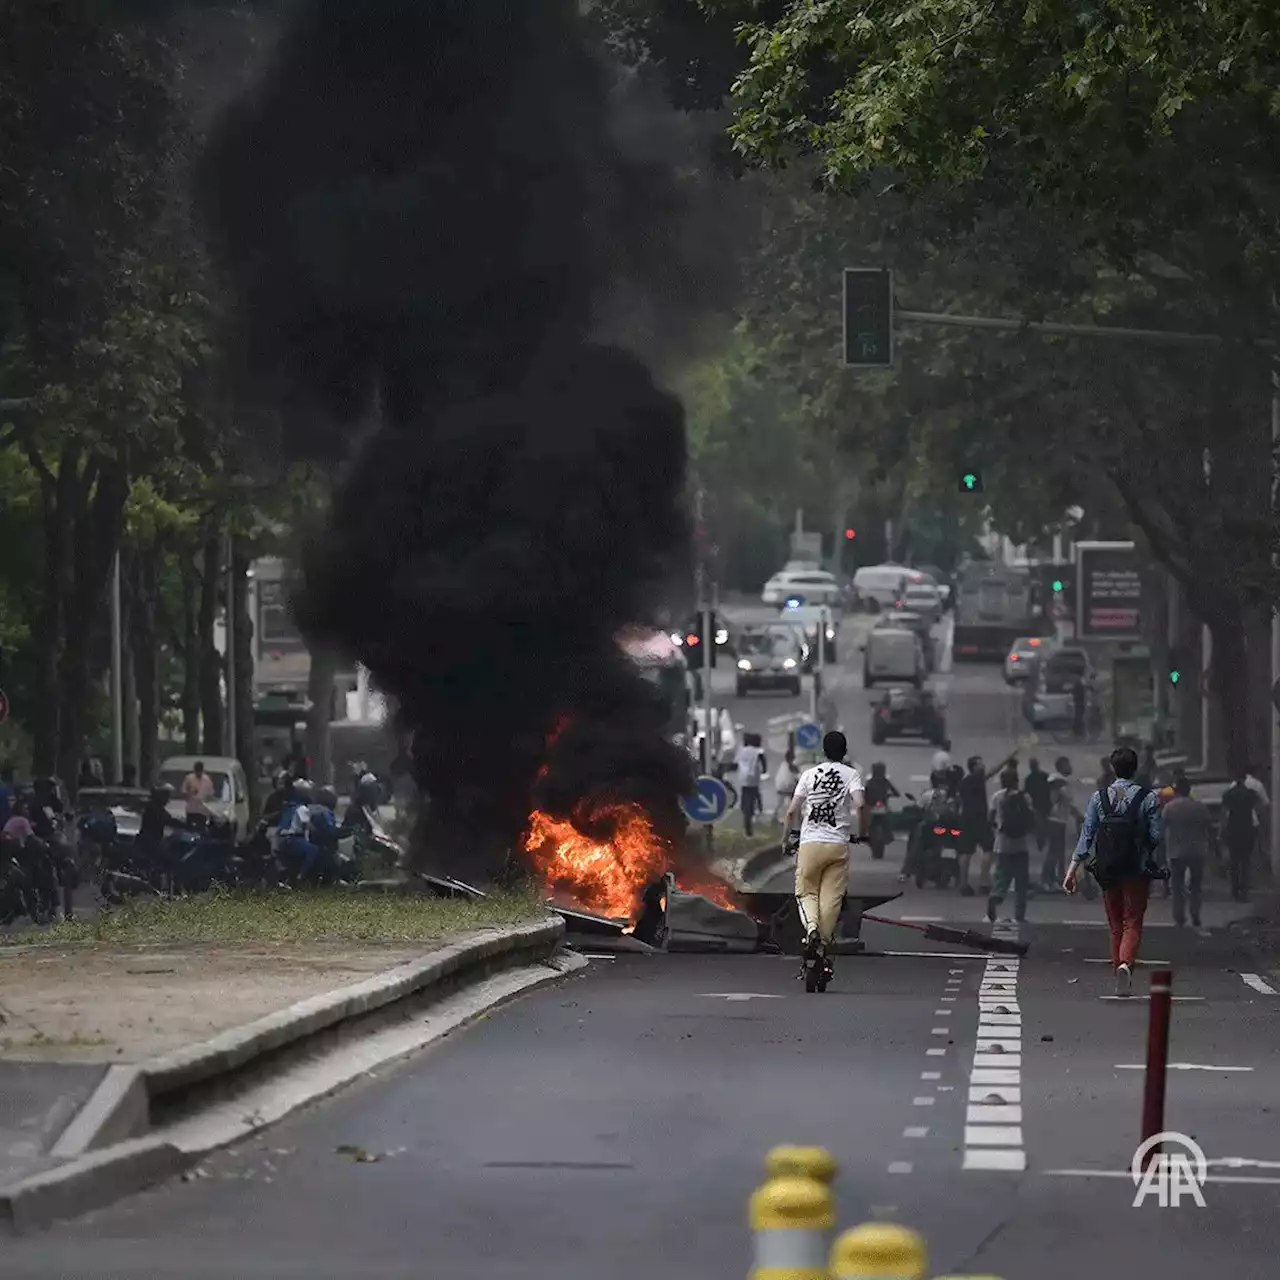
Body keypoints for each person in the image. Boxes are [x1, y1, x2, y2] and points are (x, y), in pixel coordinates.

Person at [1065, 745, 1163, 995]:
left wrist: (1072, 869)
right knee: (1133, 920)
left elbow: (1087, 835)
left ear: (1112, 768)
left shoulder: (1099, 798)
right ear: (1135, 767)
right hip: (1136, 869)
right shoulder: (1148, 797)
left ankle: (1117, 970)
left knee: (1115, 923)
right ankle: (1125, 964)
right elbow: (1156, 835)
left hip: (1107, 869)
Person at [784, 731, 866, 982]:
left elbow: (791, 812)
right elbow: (861, 805)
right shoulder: (851, 774)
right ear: (844, 751)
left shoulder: (809, 775)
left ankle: (811, 930)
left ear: (823, 750)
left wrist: (785, 840)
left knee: (806, 892)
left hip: (810, 845)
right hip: (838, 847)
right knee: (832, 899)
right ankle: (823, 942)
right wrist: (861, 833)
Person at [1160, 775, 1212, 928]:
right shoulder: (1199, 807)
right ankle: (1195, 914)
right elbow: (1208, 829)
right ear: (1189, 790)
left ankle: (1179, 917)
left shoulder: (1169, 808)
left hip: (1176, 852)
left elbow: (1162, 829)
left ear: (1176, 791)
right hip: (1196, 851)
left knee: (1176, 887)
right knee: (1196, 886)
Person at [987, 767, 1035, 924]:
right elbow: (1030, 817)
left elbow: (991, 819)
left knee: (1002, 877)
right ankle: (1020, 915)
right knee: (1021, 881)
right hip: (1021, 844)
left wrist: (998, 829)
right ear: (1017, 781)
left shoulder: (997, 797)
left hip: (1002, 844)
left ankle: (996, 897)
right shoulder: (1025, 797)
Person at [1220, 770, 1261, 901]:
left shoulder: (1228, 794)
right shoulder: (1251, 794)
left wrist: (1223, 830)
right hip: (1247, 829)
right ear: (1245, 779)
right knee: (1245, 862)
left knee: (1234, 861)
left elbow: (1224, 812)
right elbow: (1256, 807)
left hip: (1233, 829)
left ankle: (1234, 889)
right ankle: (1244, 890)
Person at [958, 756, 992, 897]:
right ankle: (984, 882)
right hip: (979, 818)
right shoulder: (977, 778)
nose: (983, 766)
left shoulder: (964, 782)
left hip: (966, 818)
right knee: (989, 848)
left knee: (966, 852)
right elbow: (993, 772)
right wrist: (1010, 756)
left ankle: (963, 884)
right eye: (980, 764)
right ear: (973, 767)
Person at [734, 732, 767, 838]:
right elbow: (763, 762)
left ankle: (746, 814)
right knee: (754, 796)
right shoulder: (758, 750)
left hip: (743, 779)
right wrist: (764, 771)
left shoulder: (741, 750)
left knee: (745, 798)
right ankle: (758, 808)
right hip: (753, 778)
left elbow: (735, 762)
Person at [1024, 757, 1052, 857]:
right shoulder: (1045, 776)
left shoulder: (1029, 778)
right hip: (1045, 803)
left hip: (1037, 804)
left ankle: (1041, 840)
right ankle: (1042, 839)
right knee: (1043, 822)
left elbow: (1026, 792)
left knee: (1040, 823)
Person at [771, 750, 798, 826]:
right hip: (788, 788)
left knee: (779, 803)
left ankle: (774, 818)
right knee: (793, 802)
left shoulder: (782, 765)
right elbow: (797, 777)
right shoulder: (793, 767)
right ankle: (792, 819)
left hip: (780, 787)